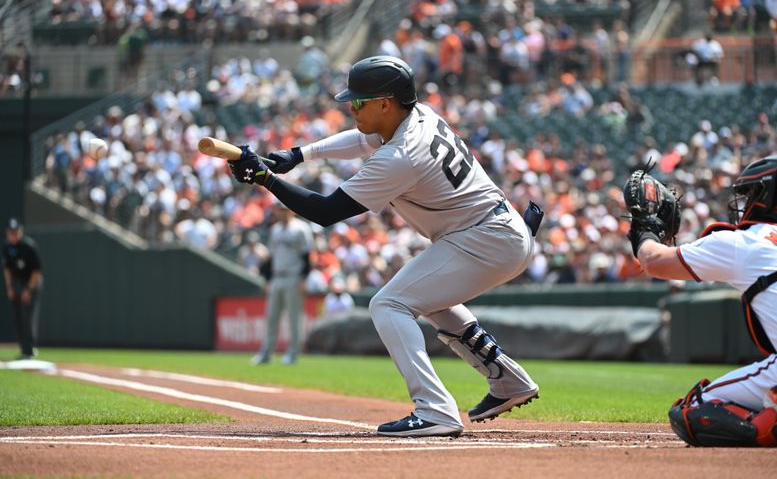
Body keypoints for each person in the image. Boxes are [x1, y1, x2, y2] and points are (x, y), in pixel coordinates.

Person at [229, 55, 542, 437]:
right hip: (495, 231)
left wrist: (266, 179)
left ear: (384, 103)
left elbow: (326, 211)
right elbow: (362, 139)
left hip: (485, 237)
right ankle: (508, 381)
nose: (351, 107)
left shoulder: (402, 155)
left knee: (389, 304)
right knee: (431, 302)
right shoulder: (416, 115)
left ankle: (435, 410)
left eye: (358, 101)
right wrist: (298, 155)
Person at [630, 153, 777, 447]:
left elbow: (654, 262)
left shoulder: (747, 242)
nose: (746, 203)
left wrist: (644, 225)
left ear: (769, 195)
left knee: (694, 409)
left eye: (752, 193)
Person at [251, 202, 313, 366]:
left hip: (294, 277)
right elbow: (271, 258)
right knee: (271, 318)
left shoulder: (301, 228)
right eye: (280, 210)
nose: (282, 213)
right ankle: (266, 354)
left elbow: (307, 257)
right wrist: (268, 280)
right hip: (277, 277)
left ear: (292, 211)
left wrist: (303, 279)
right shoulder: (275, 229)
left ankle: (292, 354)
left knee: (293, 318)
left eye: (285, 210)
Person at [2, 218, 43, 360]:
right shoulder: (7, 247)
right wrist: (9, 288)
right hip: (17, 283)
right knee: (18, 317)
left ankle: (30, 349)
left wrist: (29, 290)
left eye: (15, 232)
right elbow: (7, 269)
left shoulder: (28, 246)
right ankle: (23, 348)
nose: (12, 235)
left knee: (28, 317)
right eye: (10, 232)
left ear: (20, 232)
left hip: (31, 283)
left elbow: (36, 271)